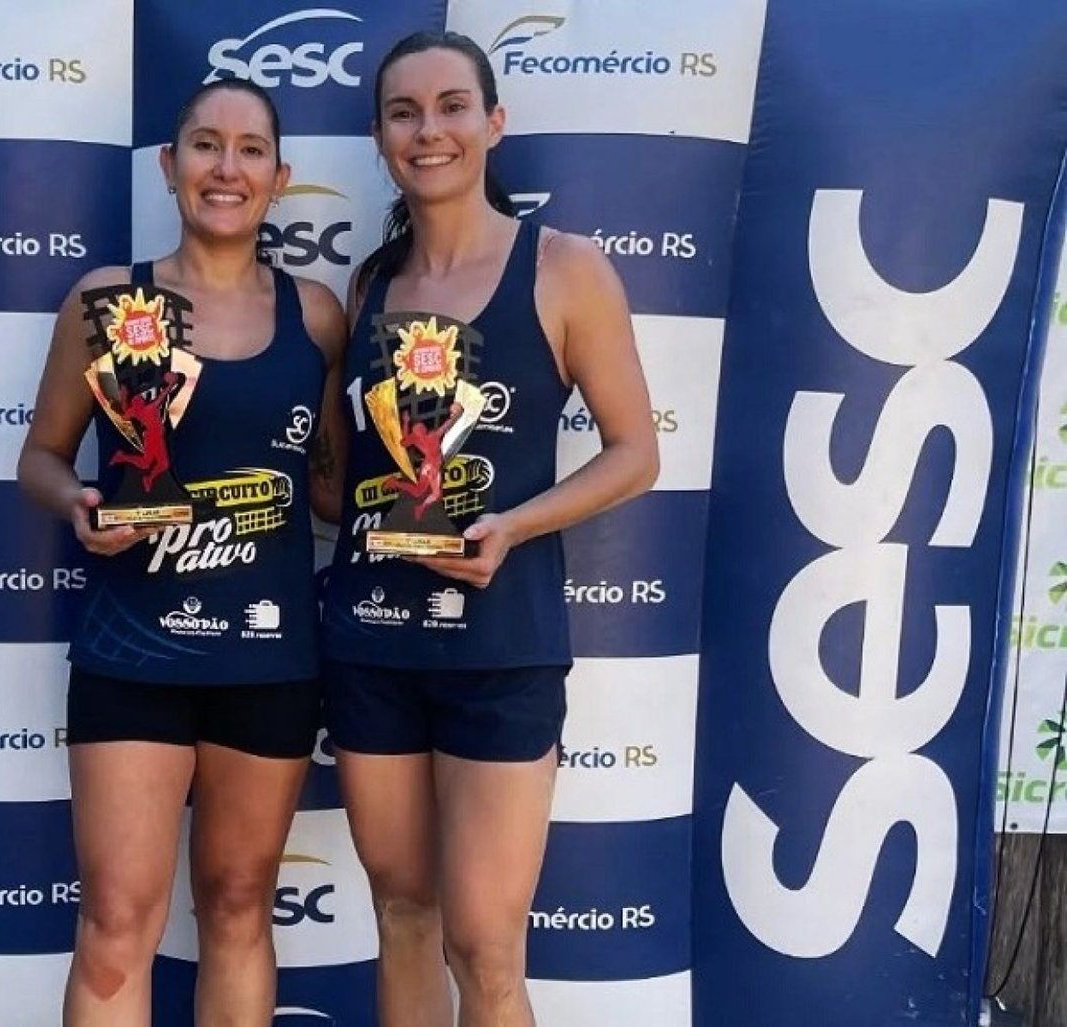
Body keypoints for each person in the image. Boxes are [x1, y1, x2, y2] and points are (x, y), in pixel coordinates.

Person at [312, 30, 660, 1027]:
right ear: (380, 137)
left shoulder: (564, 268)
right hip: (372, 641)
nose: (429, 131)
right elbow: (343, 488)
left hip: (502, 649)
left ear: (493, 122)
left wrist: (511, 524)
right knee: (402, 913)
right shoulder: (369, 287)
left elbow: (636, 454)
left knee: (486, 945)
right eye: (403, 112)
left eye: (451, 106)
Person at [18, 78, 347, 1026]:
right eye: (206, 144)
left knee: (239, 907)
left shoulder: (316, 314)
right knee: (116, 920)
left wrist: (435, 483)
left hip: (269, 657)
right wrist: (79, 503)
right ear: (169, 166)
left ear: (279, 177)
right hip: (133, 653)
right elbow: (41, 457)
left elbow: (329, 489)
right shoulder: (105, 300)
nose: (226, 167)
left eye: (251, 149)